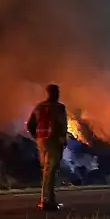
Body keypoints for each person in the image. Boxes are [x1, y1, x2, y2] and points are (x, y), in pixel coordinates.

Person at [27, 83, 67, 211]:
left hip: (41, 141)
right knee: (50, 171)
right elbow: (62, 125)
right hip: (53, 141)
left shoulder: (39, 107)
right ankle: (47, 201)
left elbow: (30, 125)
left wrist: (37, 137)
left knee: (47, 170)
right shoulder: (59, 108)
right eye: (57, 92)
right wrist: (62, 139)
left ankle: (50, 200)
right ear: (55, 93)